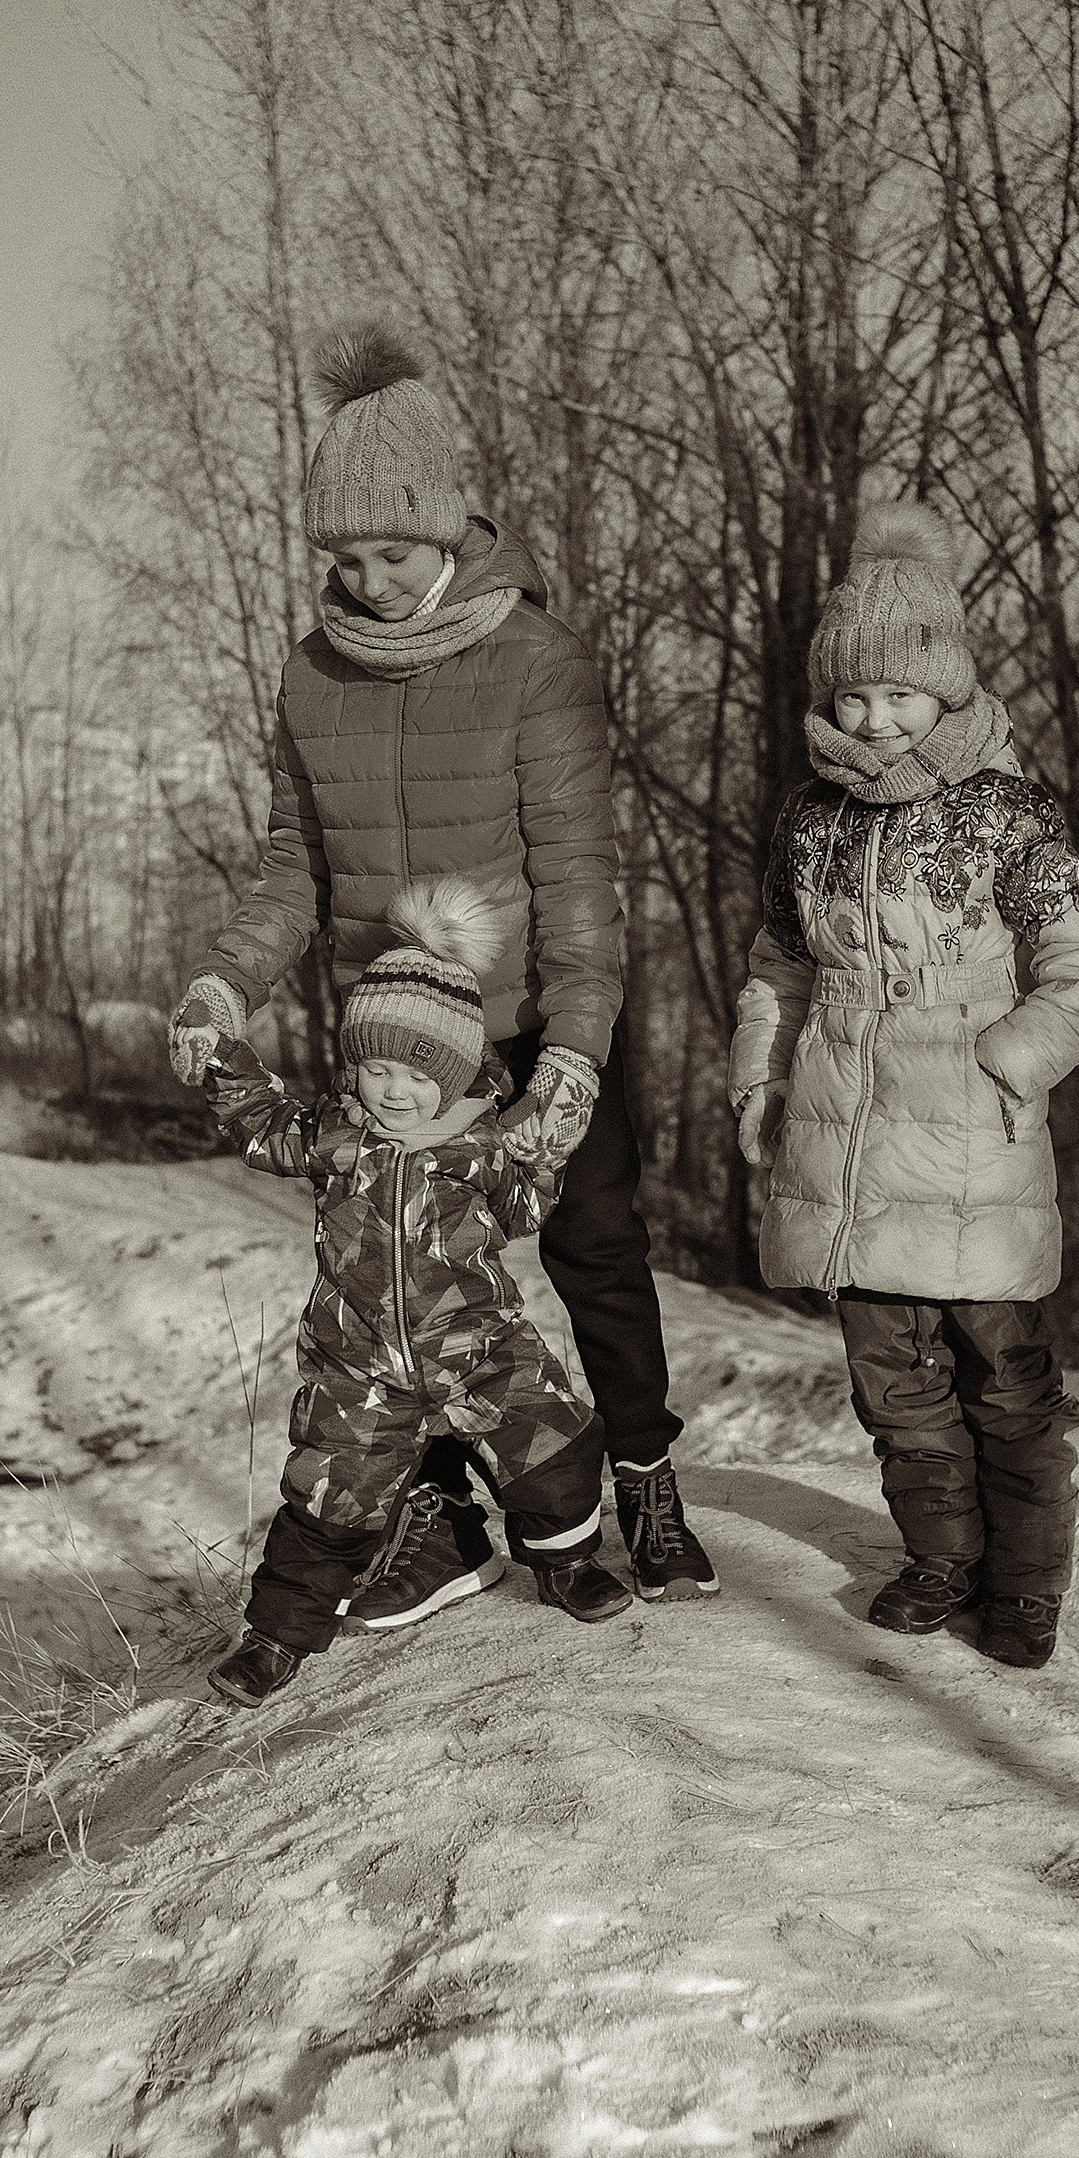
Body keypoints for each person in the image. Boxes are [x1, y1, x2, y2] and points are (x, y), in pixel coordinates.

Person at [170, 326, 715, 1606]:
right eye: (343, 559)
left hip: (534, 1014)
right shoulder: (311, 675)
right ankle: (440, 1522)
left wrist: (574, 1050)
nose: (365, 582)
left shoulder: (536, 660)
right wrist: (223, 982)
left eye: (394, 553)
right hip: (395, 1039)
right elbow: (294, 865)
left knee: (593, 1249)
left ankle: (638, 1472)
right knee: (387, 1281)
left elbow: (579, 875)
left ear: (453, 529)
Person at [729, 503, 1079, 1670]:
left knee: (1002, 1385)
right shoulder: (809, 822)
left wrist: (1004, 1062)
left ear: (945, 691)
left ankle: (1022, 1584)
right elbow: (778, 967)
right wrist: (758, 1079)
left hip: (968, 1148)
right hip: (844, 1152)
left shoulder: (1005, 815)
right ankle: (940, 1558)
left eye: (898, 696)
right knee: (893, 1390)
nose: (874, 719)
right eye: (852, 697)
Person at [202, 881, 633, 1708]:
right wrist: (223, 1053)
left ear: (459, 1072)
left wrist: (541, 1162)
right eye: (376, 1066)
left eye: (417, 1072)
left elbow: (525, 1211)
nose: (393, 1090)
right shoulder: (336, 1134)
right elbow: (262, 1123)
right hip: (358, 1364)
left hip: (479, 1347)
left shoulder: (483, 1145)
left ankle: (569, 1564)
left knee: (553, 1447)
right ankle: (276, 1640)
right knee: (327, 1500)